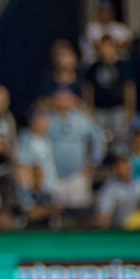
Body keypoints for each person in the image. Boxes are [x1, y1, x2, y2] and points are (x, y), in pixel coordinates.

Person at [48, 86, 106, 216]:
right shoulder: (48, 120)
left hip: (78, 175)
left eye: (65, 98)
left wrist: (94, 161)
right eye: (59, 98)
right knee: (55, 213)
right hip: (54, 176)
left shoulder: (82, 119)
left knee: (79, 214)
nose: (62, 101)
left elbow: (98, 138)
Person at [83, 34, 137, 157]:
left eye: (108, 46)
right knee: (99, 142)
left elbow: (129, 88)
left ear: (114, 47)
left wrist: (130, 109)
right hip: (99, 110)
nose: (105, 49)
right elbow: (89, 90)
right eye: (103, 46)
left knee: (121, 142)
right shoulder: (94, 67)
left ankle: (121, 166)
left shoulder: (122, 65)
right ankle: (99, 167)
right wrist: (90, 110)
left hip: (119, 109)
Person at [95, 155, 140, 230]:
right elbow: (104, 213)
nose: (125, 170)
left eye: (126, 167)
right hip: (120, 230)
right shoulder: (110, 189)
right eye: (121, 168)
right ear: (115, 170)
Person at [79, 0, 134, 67]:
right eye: (101, 11)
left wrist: (107, 47)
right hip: (95, 64)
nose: (104, 14)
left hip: (119, 64)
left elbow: (127, 44)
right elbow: (96, 47)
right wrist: (116, 45)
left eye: (107, 11)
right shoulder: (91, 28)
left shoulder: (121, 28)